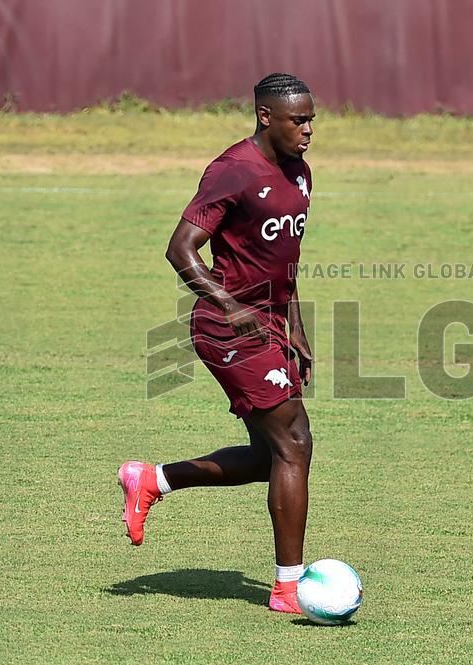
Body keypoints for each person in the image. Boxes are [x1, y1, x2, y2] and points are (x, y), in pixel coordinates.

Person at [118, 73, 316, 614]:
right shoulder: (232, 171)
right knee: (295, 443)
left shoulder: (299, 175)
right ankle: (288, 589)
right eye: (298, 120)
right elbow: (180, 249)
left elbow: (283, 262)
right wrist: (230, 304)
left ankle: (151, 479)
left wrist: (294, 324)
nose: (307, 131)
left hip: (270, 324)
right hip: (226, 328)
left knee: (269, 457)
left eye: (311, 120)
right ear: (264, 116)